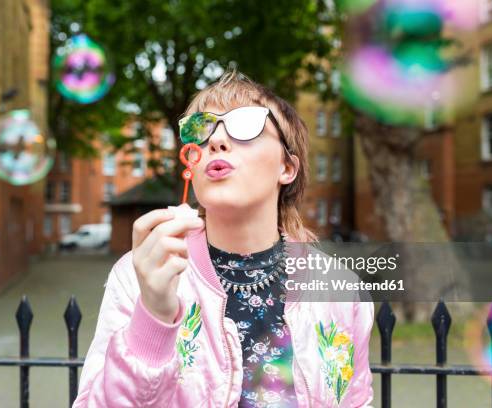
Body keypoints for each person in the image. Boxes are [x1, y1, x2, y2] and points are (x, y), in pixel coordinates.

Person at [73, 71, 374, 407]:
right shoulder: (138, 276)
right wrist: (153, 316)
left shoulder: (340, 290)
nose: (215, 140)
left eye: (246, 125)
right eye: (200, 129)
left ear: (287, 168)